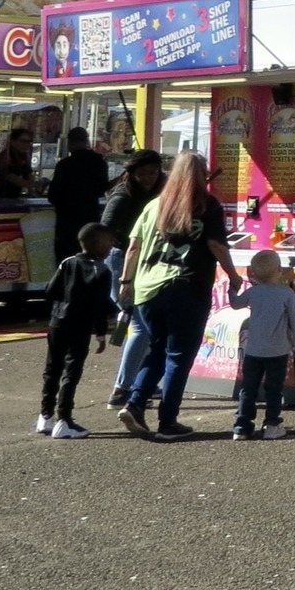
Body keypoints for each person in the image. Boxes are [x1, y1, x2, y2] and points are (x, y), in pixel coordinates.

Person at [117, 152, 239, 441]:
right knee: (179, 356)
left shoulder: (154, 205)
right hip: (186, 289)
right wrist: (233, 276)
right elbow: (216, 245)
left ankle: (134, 404)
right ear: (201, 174)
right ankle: (167, 421)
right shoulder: (206, 205)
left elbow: (133, 246)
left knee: (158, 349)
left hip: (147, 290)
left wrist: (125, 281)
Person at [36, 222, 117, 440]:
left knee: (52, 369)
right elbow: (100, 305)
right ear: (97, 244)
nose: (112, 245)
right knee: (71, 372)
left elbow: (50, 290)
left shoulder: (67, 262)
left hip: (57, 323)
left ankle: (45, 416)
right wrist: (101, 332)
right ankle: (65, 420)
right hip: (79, 326)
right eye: (109, 241)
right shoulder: (103, 270)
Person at [101, 150, 165, 412]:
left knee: (143, 327)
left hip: (142, 261)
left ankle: (140, 382)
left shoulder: (160, 188)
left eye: (153, 172)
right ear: (132, 173)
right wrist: (126, 243)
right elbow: (105, 228)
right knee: (140, 326)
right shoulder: (123, 194)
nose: (148, 178)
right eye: (143, 173)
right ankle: (123, 389)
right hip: (122, 261)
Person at [229, 250, 295, 441]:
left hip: (254, 351)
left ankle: (242, 427)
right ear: (280, 270)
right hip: (278, 352)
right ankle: (272, 425)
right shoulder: (287, 294)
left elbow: (235, 304)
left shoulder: (253, 292)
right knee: (274, 389)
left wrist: (232, 289)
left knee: (248, 388)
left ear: (253, 274)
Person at [45, 127, 110, 267]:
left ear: (70, 143)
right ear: (86, 142)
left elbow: (53, 195)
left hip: (67, 222)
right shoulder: (99, 162)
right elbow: (101, 190)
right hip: (90, 218)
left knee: (66, 262)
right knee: (90, 260)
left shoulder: (65, 165)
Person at [0, 128, 36, 200]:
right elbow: (11, 177)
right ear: (13, 142)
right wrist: (33, 185)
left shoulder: (23, 155)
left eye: (29, 141)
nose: (27, 144)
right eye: (23, 141)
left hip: (15, 197)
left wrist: (32, 193)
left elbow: (28, 173)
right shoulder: (6, 156)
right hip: (2, 197)